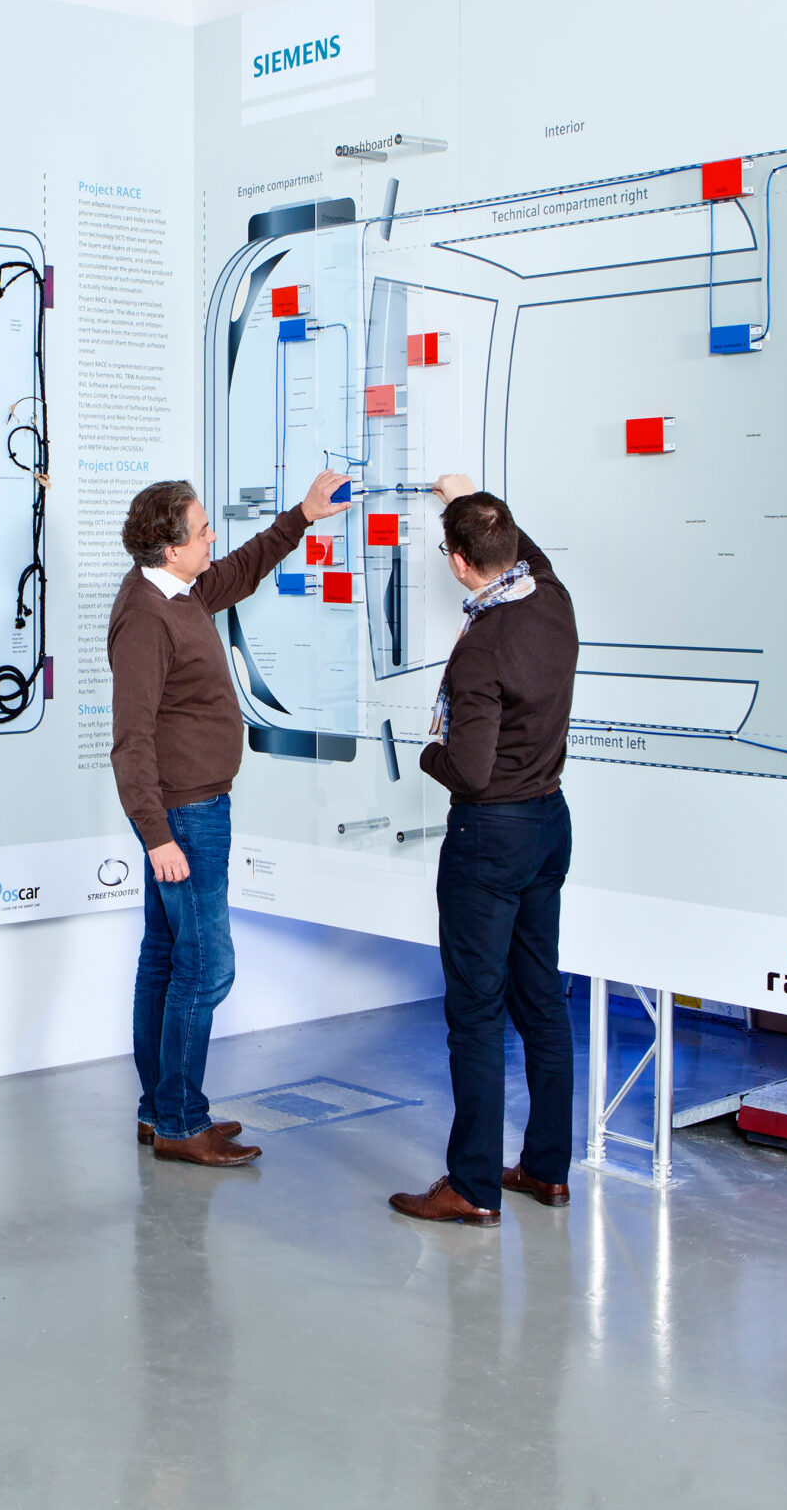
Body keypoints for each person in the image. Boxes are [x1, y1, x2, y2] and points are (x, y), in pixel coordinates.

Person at [110, 469, 349, 1166]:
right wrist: (156, 835)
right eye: (203, 526)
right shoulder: (145, 619)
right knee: (206, 967)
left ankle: (162, 1110)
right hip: (183, 815)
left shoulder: (179, 591)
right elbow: (131, 739)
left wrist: (301, 515)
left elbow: (242, 570)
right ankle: (183, 1121)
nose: (213, 534)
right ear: (168, 544)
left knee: (166, 956)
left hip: (193, 805)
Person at [389, 481, 581, 1228]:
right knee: (541, 1001)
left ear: (461, 562)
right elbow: (522, 549)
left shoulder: (484, 649)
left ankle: (472, 1186)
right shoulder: (552, 601)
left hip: (489, 836)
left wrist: (427, 751)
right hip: (548, 823)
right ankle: (547, 1168)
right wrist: (474, 497)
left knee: (475, 1014)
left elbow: (467, 769)